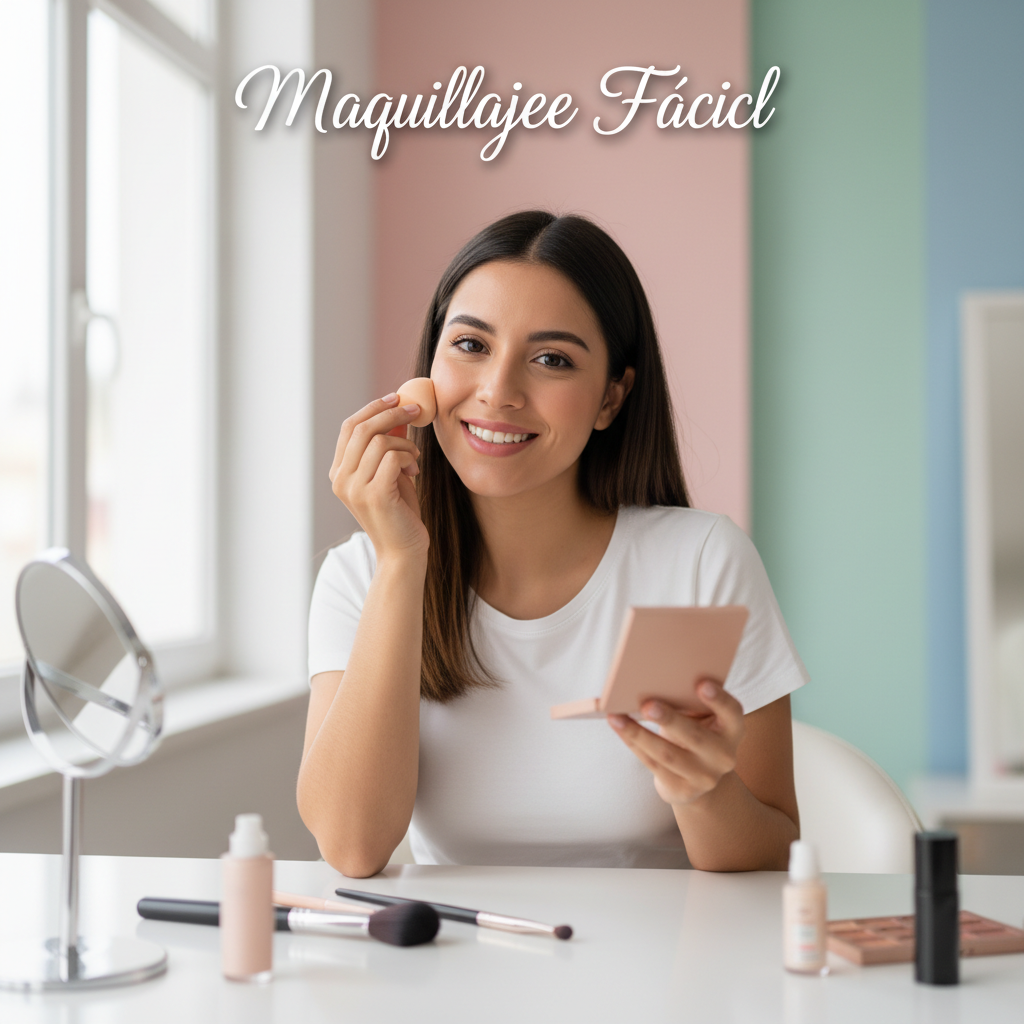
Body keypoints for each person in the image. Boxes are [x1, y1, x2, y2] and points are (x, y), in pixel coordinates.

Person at [299, 211, 807, 877]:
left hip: (658, 967)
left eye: (551, 360)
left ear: (611, 399)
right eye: (471, 346)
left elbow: (773, 853)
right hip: (456, 964)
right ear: (427, 372)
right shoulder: (360, 574)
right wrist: (401, 562)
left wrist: (704, 790)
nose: (498, 391)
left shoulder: (699, 562)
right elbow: (353, 848)